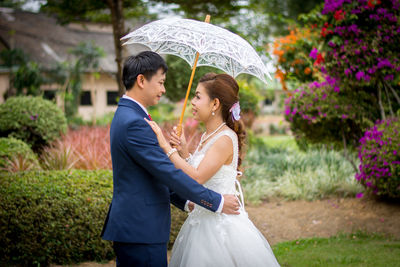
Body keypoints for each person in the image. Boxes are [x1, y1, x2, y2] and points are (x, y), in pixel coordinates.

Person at [101, 52, 241, 267]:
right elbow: (168, 172)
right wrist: (217, 202)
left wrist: (186, 202)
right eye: (160, 82)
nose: (163, 90)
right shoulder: (134, 122)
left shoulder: (131, 116)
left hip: (139, 228)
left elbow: (154, 174)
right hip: (140, 228)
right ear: (141, 80)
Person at [146, 73, 280, 267]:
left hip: (220, 226)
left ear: (215, 104)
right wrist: (184, 152)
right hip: (202, 219)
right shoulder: (208, 135)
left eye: (198, 96)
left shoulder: (225, 138)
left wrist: (166, 148)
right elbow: (203, 171)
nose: (192, 102)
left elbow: (198, 177)